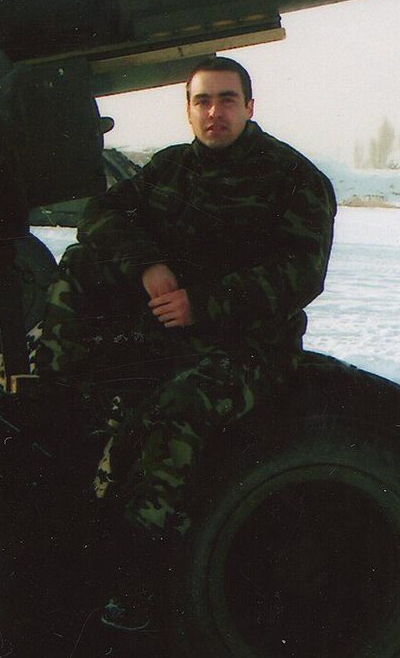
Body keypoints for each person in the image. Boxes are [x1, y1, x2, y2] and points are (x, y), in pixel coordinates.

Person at [33, 56, 336, 627]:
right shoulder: (172, 170)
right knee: (80, 268)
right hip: (164, 329)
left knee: (176, 410)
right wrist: (147, 264)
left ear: (250, 106)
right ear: (189, 109)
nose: (214, 112)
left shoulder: (295, 181)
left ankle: (134, 568)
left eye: (226, 100)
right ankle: (53, 405)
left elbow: (300, 275)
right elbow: (100, 213)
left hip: (249, 345)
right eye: (202, 101)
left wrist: (203, 302)